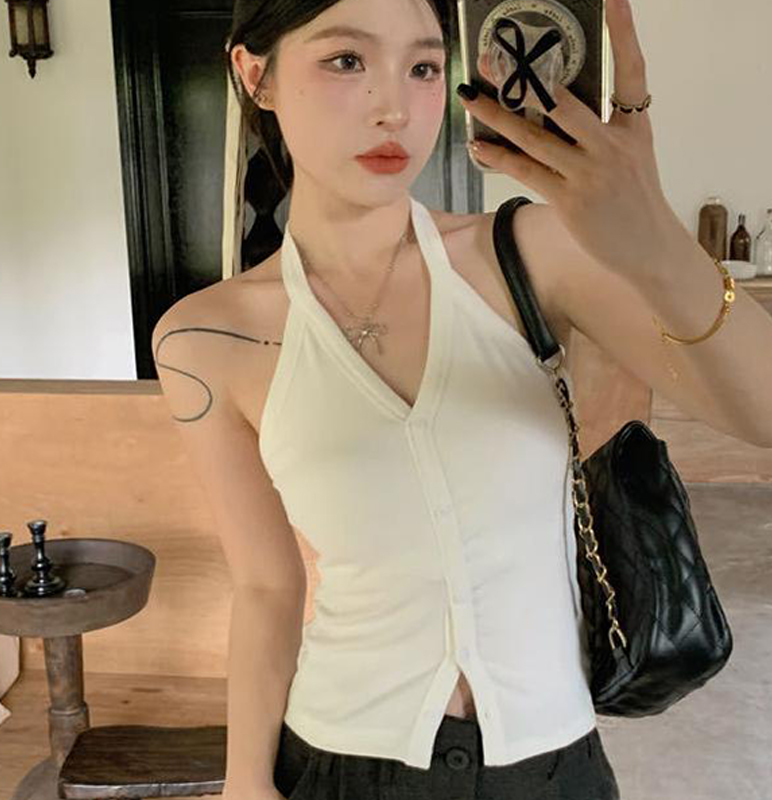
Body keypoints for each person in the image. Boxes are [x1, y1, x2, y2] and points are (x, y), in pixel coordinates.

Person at [151, 0, 622, 797]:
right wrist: (245, 782)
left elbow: (741, 404)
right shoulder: (204, 338)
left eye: (425, 67)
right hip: (342, 758)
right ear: (255, 74)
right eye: (347, 61)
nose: (394, 108)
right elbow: (266, 584)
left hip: (553, 760)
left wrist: (634, 213)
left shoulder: (532, 256)